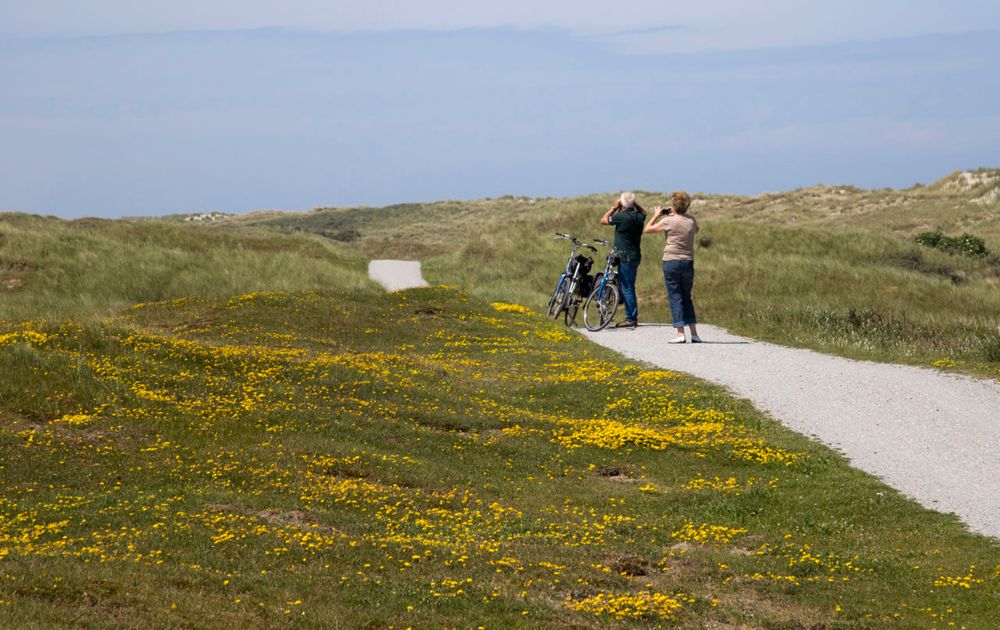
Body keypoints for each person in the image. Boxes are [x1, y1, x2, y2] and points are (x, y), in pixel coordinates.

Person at [644, 190, 701, 343]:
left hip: (671, 261)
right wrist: (678, 214)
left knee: (675, 296)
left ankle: (680, 333)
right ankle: (694, 334)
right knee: (687, 297)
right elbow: (695, 229)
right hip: (688, 261)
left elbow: (648, 229)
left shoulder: (668, 221)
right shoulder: (692, 220)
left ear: (674, 205)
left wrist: (657, 215)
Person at [600, 192, 645, 328]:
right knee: (629, 286)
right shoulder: (639, 216)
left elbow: (603, 220)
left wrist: (614, 208)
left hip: (625, 256)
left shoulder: (621, 217)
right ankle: (631, 317)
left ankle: (631, 319)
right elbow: (644, 212)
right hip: (635, 255)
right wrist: (632, 204)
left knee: (627, 288)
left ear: (622, 203)